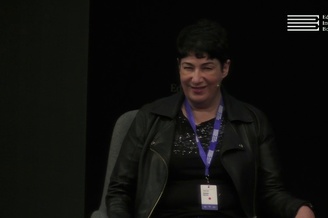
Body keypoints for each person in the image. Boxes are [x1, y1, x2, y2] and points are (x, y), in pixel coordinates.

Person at [106, 18, 316, 218]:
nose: (196, 78)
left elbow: (270, 191)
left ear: (224, 68)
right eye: (188, 67)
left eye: (207, 68)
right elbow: (119, 191)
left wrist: (298, 208)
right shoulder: (151, 117)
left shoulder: (251, 121)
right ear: (179, 66)